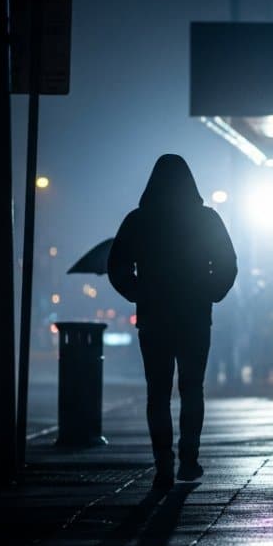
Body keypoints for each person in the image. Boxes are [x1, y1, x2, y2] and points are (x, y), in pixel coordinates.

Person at [108, 154, 237, 491]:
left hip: (154, 317)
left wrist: (140, 293)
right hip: (194, 316)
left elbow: (117, 266)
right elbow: (227, 263)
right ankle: (189, 458)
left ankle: (163, 462)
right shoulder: (206, 219)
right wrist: (210, 292)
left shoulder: (139, 220)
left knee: (158, 393)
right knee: (192, 389)